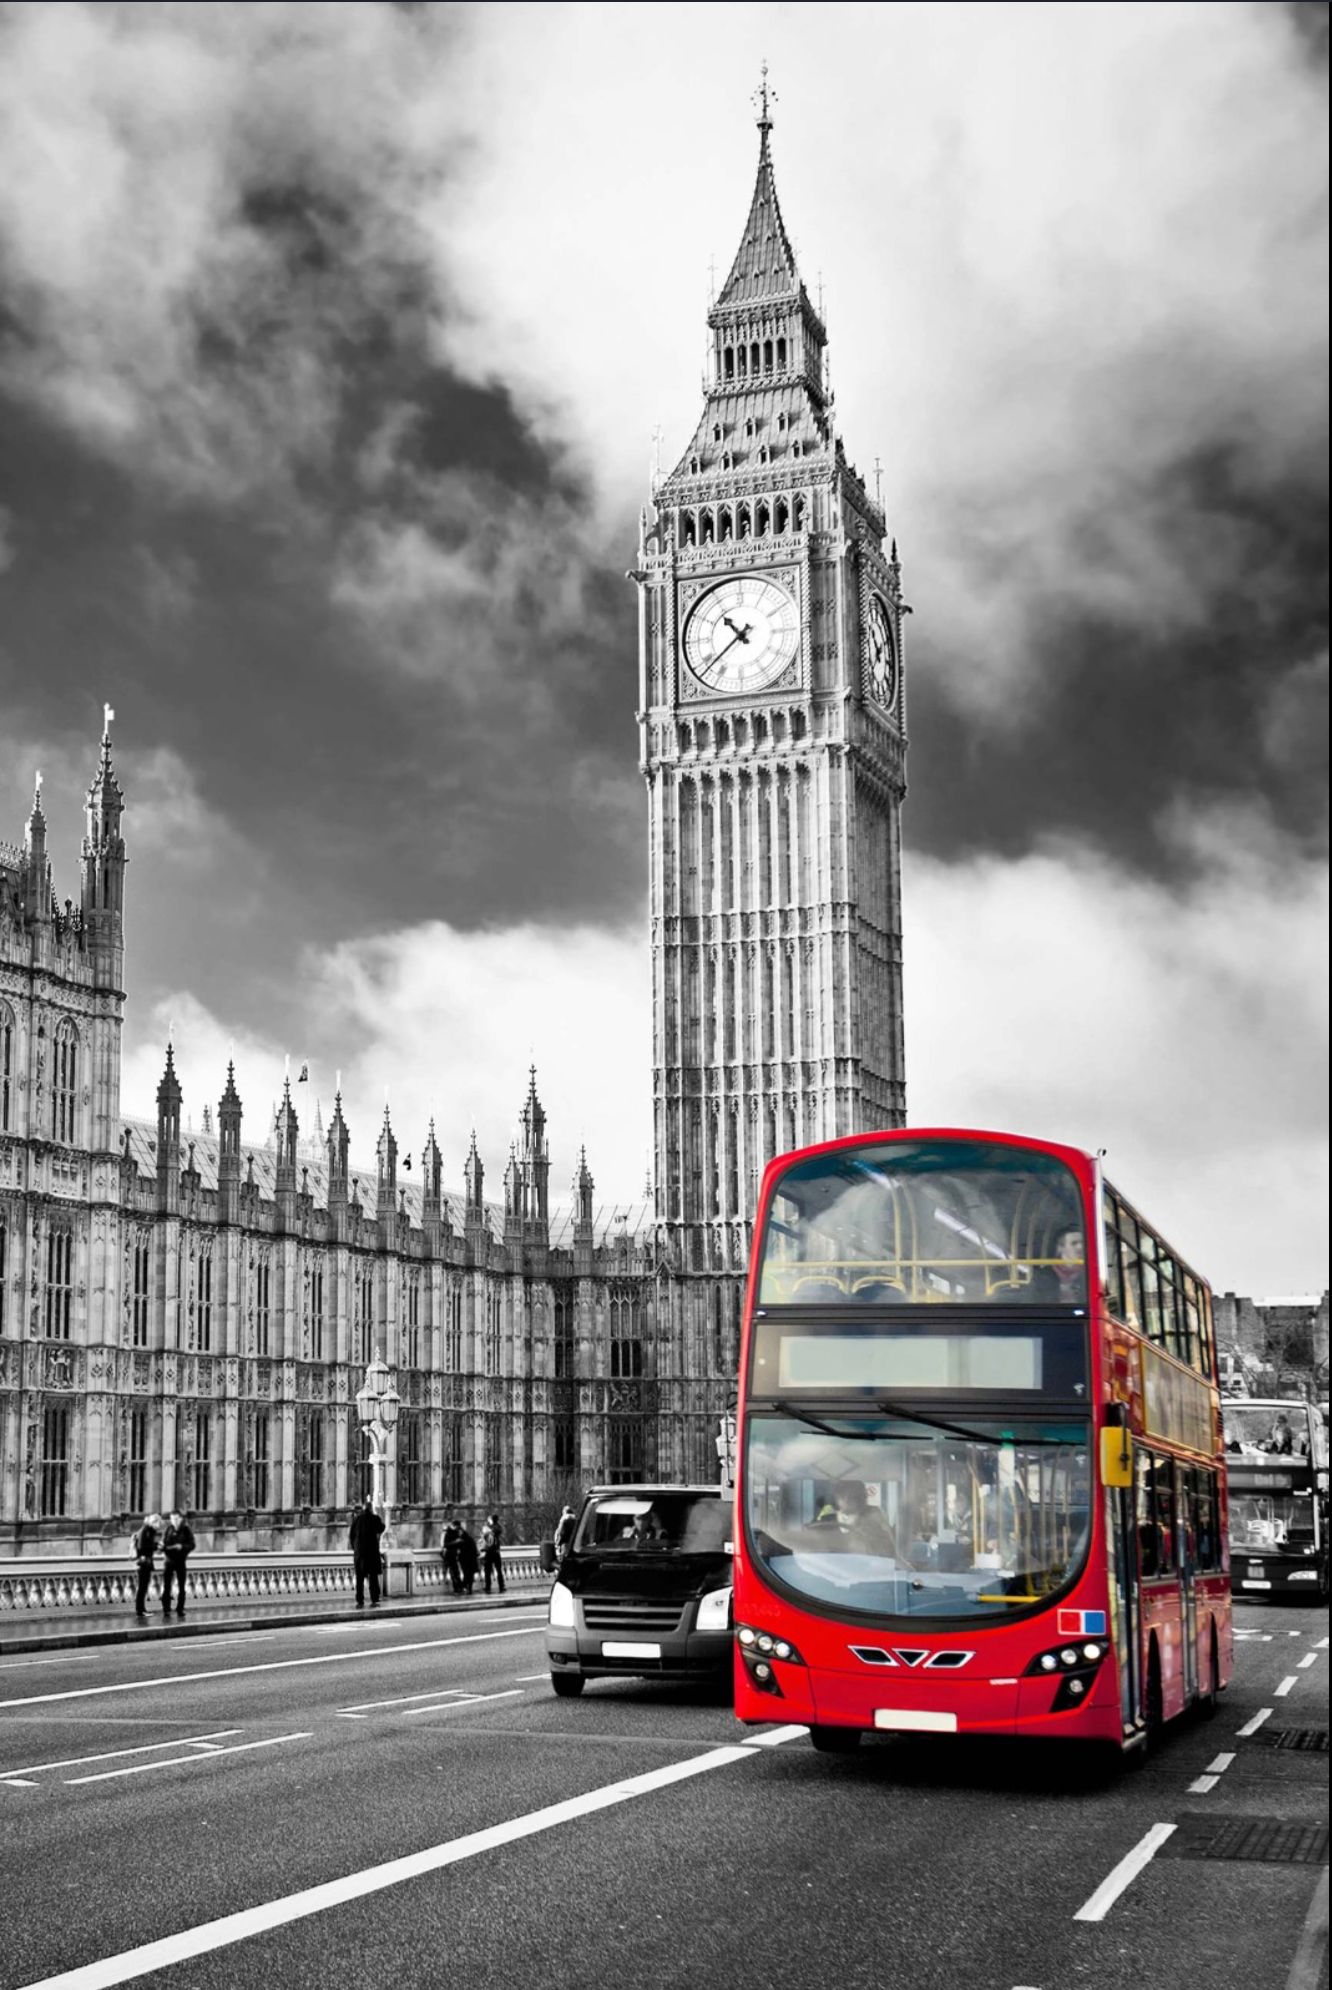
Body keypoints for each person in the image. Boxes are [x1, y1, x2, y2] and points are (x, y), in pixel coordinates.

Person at [834, 1481, 902, 1560]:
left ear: (859, 1498)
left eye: (849, 1497)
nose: (844, 1501)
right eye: (840, 1497)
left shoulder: (874, 1514)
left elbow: (889, 1545)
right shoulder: (830, 1518)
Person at [349, 1497, 385, 1607]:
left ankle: (359, 1599)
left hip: (359, 1554)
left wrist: (355, 1549)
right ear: (371, 1509)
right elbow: (382, 1528)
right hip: (371, 1554)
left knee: (359, 1578)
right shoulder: (374, 1518)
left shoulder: (357, 1519)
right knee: (372, 1577)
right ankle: (374, 1597)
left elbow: (351, 1536)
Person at [161, 1509, 196, 1618]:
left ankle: (180, 1608)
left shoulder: (186, 1529)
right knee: (167, 1586)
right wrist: (162, 1547)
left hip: (180, 1561)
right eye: (172, 1519)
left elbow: (192, 1544)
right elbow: (163, 1542)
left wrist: (182, 1547)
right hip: (169, 1561)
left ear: (180, 1519)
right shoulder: (168, 1529)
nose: (174, 1521)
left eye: (176, 1519)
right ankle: (166, 1609)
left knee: (181, 1586)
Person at [132, 1513, 162, 1618]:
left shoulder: (148, 1531)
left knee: (143, 1587)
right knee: (142, 1587)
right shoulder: (145, 1531)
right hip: (143, 1563)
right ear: (154, 1522)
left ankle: (141, 1609)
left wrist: (156, 1545)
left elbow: (145, 1545)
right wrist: (155, 1546)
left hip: (145, 1563)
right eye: (158, 1523)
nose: (159, 1526)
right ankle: (140, 1610)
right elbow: (142, 1547)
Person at [481, 1512, 506, 1594]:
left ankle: (488, 1587)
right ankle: (501, 1586)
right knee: (499, 1570)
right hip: (496, 1551)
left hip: (490, 1552)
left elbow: (485, 1536)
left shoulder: (489, 1528)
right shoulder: (498, 1527)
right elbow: (499, 1530)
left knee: (487, 1570)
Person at [441, 1512, 464, 1594]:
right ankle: (457, 1588)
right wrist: (456, 1542)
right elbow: (445, 1544)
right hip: (450, 1555)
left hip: (454, 1555)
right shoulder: (448, 1533)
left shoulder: (456, 1532)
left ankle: (459, 1588)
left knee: (456, 1572)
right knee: (454, 1572)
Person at [457, 1517, 480, 1595]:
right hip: (471, 1560)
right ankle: (468, 1589)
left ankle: (464, 1587)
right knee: (469, 1575)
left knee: (467, 1575)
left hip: (466, 1560)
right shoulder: (469, 1538)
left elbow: (462, 1550)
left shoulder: (462, 1540)